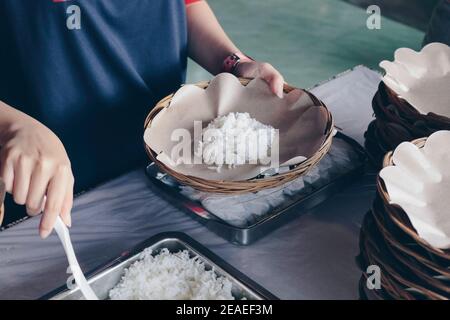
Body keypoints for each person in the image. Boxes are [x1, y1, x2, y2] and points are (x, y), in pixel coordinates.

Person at [0, 0, 285, 238]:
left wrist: (232, 61)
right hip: (51, 192)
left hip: (167, 167)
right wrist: (13, 124)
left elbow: (182, 5)